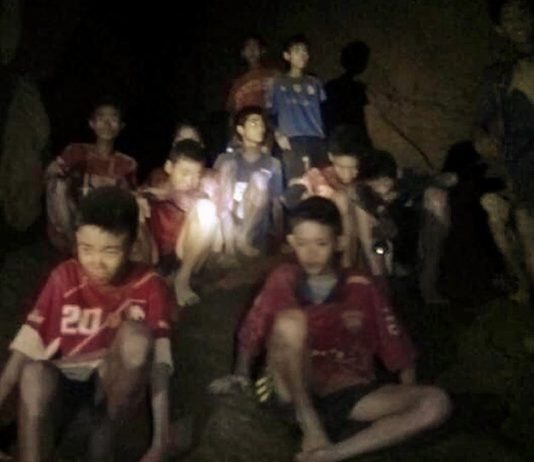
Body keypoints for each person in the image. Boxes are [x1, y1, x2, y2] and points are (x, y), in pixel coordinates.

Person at [210, 197, 450, 462]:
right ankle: (310, 425)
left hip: (347, 391)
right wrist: (241, 375)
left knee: (435, 402)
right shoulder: (283, 278)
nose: (311, 253)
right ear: (292, 242)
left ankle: (333, 454)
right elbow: (252, 329)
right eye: (303, 244)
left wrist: (406, 397)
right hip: (289, 386)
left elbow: (395, 344)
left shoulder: (361, 286)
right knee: (291, 322)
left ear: (339, 242)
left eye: (321, 243)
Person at [0, 187, 174, 462]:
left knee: (137, 337)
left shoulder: (149, 285)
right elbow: (25, 347)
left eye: (110, 251)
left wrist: (160, 442)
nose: (96, 262)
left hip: (112, 389)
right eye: (86, 249)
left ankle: (105, 433)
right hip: (65, 383)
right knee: (33, 373)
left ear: (131, 246)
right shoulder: (65, 277)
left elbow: (160, 363)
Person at [474, 0, 534, 303]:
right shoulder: (498, 77)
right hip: (521, 168)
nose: (518, 22)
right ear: (500, 29)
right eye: (509, 18)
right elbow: (480, 126)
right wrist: (482, 138)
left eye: (523, 13)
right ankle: (523, 287)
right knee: (508, 218)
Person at [355, 150, 454, 303]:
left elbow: (445, 181)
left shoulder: (408, 181)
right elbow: (369, 237)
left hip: (418, 234)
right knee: (376, 237)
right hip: (387, 244)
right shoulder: (363, 194)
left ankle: (427, 283)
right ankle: (383, 289)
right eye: (375, 184)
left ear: (395, 175)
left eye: (385, 182)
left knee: (437, 201)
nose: (381, 188)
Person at [45, 97, 137, 253]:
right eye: (101, 118)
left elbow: (129, 199)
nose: (107, 124)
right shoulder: (76, 151)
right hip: (72, 220)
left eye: (113, 119)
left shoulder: (127, 163)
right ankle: (74, 244)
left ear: (121, 126)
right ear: (92, 124)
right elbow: (49, 176)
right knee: (57, 184)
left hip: (105, 221)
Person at [141, 140, 221, 307]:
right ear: (169, 167)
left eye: (197, 175)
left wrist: (168, 194)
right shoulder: (152, 188)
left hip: (185, 254)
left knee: (206, 209)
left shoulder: (199, 196)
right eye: (185, 173)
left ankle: (182, 279)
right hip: (155, 254)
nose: (191, 180)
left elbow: (187, 199)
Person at [284, 125, 368, 268]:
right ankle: (347, 266)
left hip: (353, 243)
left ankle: (358, 266)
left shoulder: (363, 183)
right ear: (331, 157)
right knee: (342, 199)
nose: (347, 174)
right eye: (341, 167)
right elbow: (293, 199)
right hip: (321, 243)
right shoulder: (317, 177)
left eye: (353, 168)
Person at [214, 106, 283, 259]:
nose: (261, 128)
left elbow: (276, 203)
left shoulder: (273, 163)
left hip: (255, 225)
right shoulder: (225, 159)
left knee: (259, 178)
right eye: (254, 123)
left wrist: (279, 238)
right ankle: (229, 246)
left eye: (262, 124)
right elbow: (215, 195)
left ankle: (243, 238)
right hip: (228, 221)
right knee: (227, 166)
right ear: (241, 130)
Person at [266, 35, 328, 182]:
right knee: (298, 183)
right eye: (297, 51)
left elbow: (325, 111)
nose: (303, 55)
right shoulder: (277, 83)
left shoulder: (315, 83)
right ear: (287, 56)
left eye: (305, 51)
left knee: (320, 184)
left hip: (317, 138)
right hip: (292, 140)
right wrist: (278, 134)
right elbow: (268, 113)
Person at [324, 41, 371, 144]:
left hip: (336, 138)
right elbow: (359, 119)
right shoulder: (356, 89)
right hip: (346, 139)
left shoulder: (331, 86)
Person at [226, 35, 279, 115]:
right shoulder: (238, 83)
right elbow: (232, 110)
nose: (252, 50)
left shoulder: (274, 75)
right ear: (243, 53)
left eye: (255, 46)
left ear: (262, 51)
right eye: (248, 46)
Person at [146, 122, 204, 188]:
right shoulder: (157, 177)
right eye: (181, 139)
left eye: (192, 140)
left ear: (202, 145)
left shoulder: (208, 178)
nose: (186, 144)